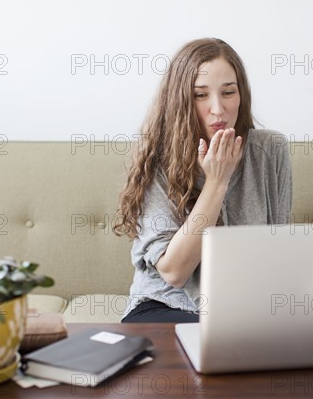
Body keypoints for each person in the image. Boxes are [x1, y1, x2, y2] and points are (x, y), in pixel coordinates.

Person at [113, 38, 292, 323]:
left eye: (228, 92)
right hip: (165, 305)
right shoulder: (158, 157)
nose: (218, 109)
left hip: (242, 308)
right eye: (200, 95)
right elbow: (174, 271)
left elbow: (277, 248)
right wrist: (217, 182)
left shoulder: (270, 150)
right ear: (180, 99)